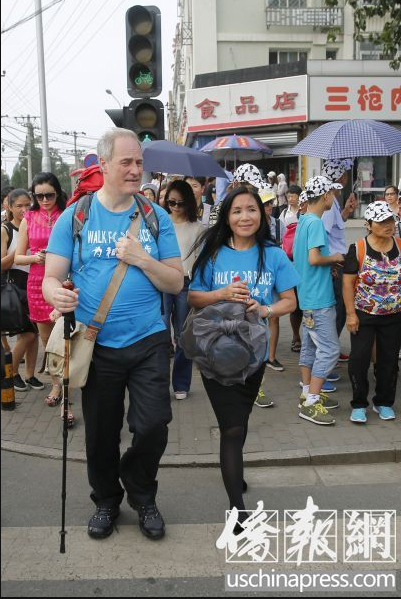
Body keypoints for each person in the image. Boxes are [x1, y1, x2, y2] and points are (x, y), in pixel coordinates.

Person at [43, 128, 183, 541]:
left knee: (154, 424)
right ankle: (106, 500)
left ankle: (141, 493)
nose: (136, 170)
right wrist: (58, 296)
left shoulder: (155, 218)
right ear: (102, 165)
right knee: (101, 432)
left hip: (148, 339)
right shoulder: (77, 214)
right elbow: (52, 277)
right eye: (127, 162)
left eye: (139, 162)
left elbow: (175, 282)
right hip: (95, 341)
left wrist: (142, 259)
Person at [188, 186, 298, 530]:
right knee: (232, 427)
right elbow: (192, 297)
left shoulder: (274, 254)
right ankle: (238, 510)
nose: (245, 216)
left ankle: (235, 475)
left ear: (261, 214)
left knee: (241, 420)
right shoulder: (213, 252)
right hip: (214, 353)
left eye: (251, 209)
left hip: (254, 355)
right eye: (237, 211)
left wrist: (264, 308)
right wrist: (221, 294)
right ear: (227, 216)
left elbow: (290, 301)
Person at [293, 176, 345, 425]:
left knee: (310, 347)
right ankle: (312, 400)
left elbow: (303, 258)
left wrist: (327, 264)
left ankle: (306, 394)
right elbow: (314, 258)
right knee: (331, 349)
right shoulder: (315, 223)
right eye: (332, 194)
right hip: (319, 298)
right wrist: (334, 257)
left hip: (307, 295)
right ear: (325, 196)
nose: (333, 199)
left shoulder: (303, 220)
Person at [343, 201, 401, 423]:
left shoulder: (399, 245)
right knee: (359, 359)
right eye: (382, 221)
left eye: (391, 220)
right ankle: (359, 404)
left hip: (394, 315)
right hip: (363, 314)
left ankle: (384, 402)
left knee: (388, 361)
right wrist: (350, 313)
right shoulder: (357, 248)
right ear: (368, 225)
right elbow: (348, 284)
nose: (389, 225)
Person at [14, 173, 67, 412]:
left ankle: (72, 378)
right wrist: (36, 257)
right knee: (47, 339)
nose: (45, 200)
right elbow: (18, 256)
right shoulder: (28, 218)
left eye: (49, 194)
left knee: (68, 335)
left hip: (65, 281)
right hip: (37, 282)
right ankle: (57, 385)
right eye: (39, 195)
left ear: (57, 192)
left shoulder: (67, 215)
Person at [163, 180, 204, 400]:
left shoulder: (197, 228)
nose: (176, 207)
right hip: (160, 281)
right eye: (171, 202)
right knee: (159, 333)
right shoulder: (160, 223)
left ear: (189, 202)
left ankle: (181, 383)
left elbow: (200, 260)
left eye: (180, 203)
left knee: (182, 334)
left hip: (186, 282)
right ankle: (158, 382)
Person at [1, 189, 43, 392]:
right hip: (14, 286)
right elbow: (1, 264)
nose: (24, 209)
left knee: (33, 335)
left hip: (33, 283)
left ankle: (30, 375)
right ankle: (11, 372)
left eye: (27, 204)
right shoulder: (5, 230)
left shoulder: (34, 223)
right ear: (9, 206)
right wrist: (20, 250)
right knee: (27, 334)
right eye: (19, 206)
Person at [321, 159, 358, 365]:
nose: (346, 177)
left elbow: (336, 225)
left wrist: (346, 211)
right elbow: (324, 236)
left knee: (339, 311)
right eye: (344, 173)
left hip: (338, 260)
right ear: (341, 177)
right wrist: (331, 264)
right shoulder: (328, 201)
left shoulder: (333, 199)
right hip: (335, 264)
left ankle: (331, 351)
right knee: (338, 312)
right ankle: (327, 358)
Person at [260, 190, 285, 372]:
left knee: (274, 316)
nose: (269, 206)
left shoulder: (279, 224)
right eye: (266, 203)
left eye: (271, 203)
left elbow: (283, 245)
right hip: (258, 275)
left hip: (275, 275)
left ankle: (271, 356)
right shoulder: (254, 225)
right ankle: (258, 355)